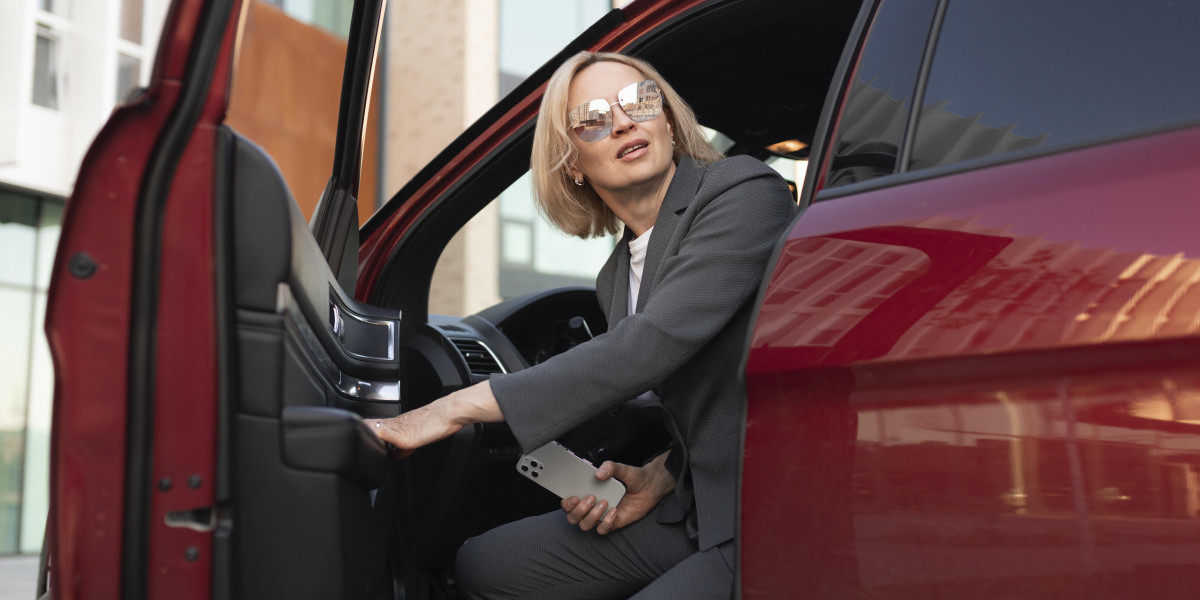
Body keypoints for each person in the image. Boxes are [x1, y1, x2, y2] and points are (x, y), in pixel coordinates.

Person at [370, 51, 796, 599]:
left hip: (758, 512)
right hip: (691, 502)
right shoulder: (614, 277)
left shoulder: (743, 190)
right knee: (485, 564)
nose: (622, 122)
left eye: (639, 101)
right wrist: (661, 475)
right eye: (592, 120)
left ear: (666, 119)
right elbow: (712, 399)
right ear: (572, 163)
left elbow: (651, 344)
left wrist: (451, 408)